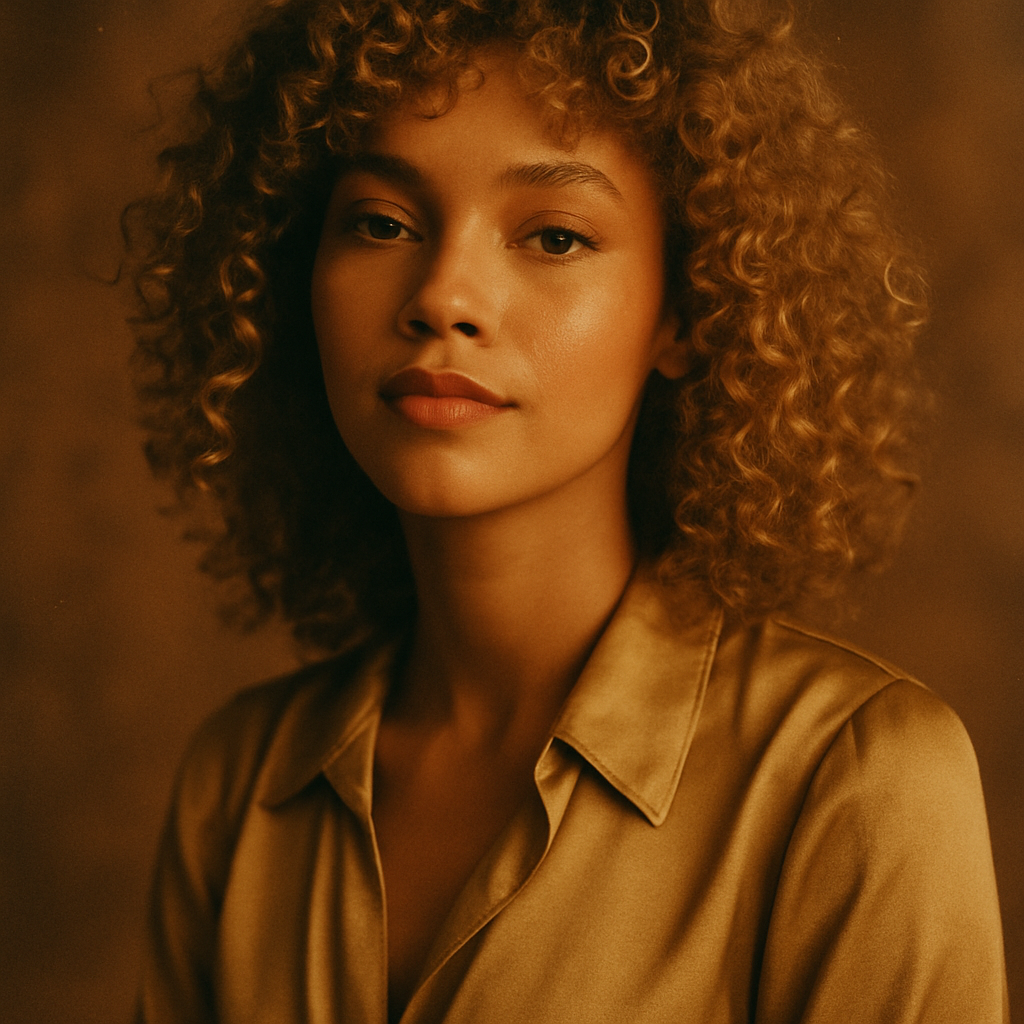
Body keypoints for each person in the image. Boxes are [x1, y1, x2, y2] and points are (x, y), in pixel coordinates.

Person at [127, 0, 1008, 1021]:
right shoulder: (238, 784)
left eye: (552, 235)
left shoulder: (854, 779)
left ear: (685, 310)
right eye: (381, 221)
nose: (444, 295)